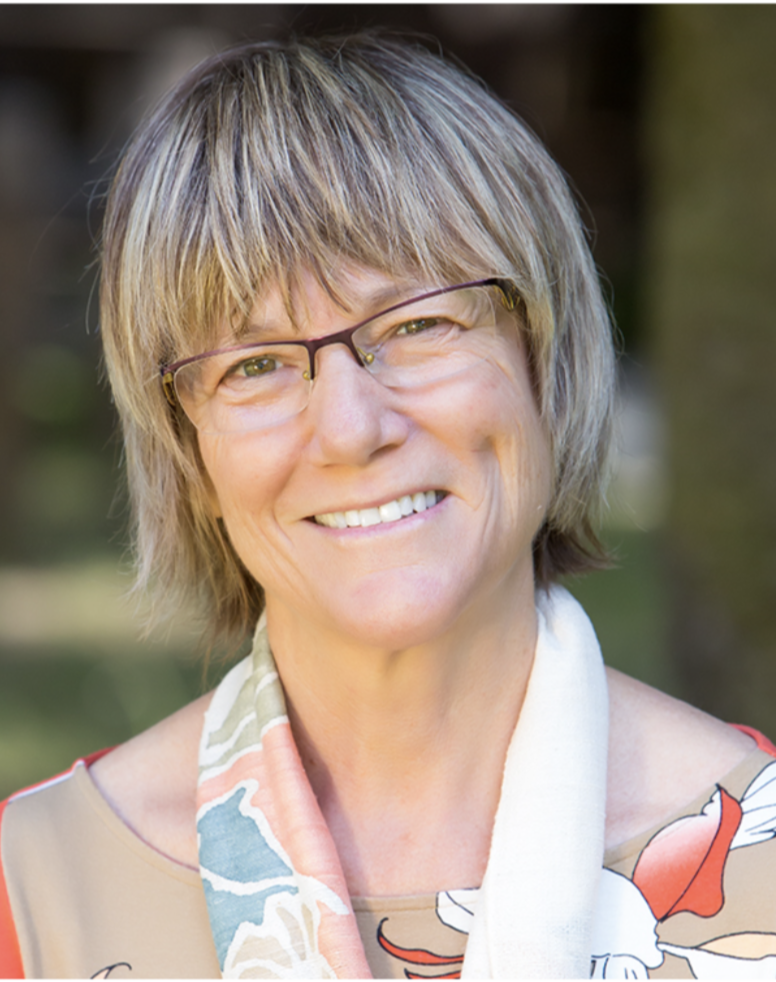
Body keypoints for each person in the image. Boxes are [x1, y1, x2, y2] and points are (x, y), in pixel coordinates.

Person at [2, 33, 776, 981]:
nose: (350, 428)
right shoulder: (34, 891)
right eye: (255, 365)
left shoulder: (763, 867)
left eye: (418, 324)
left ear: (546, 358)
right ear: (188, 455)